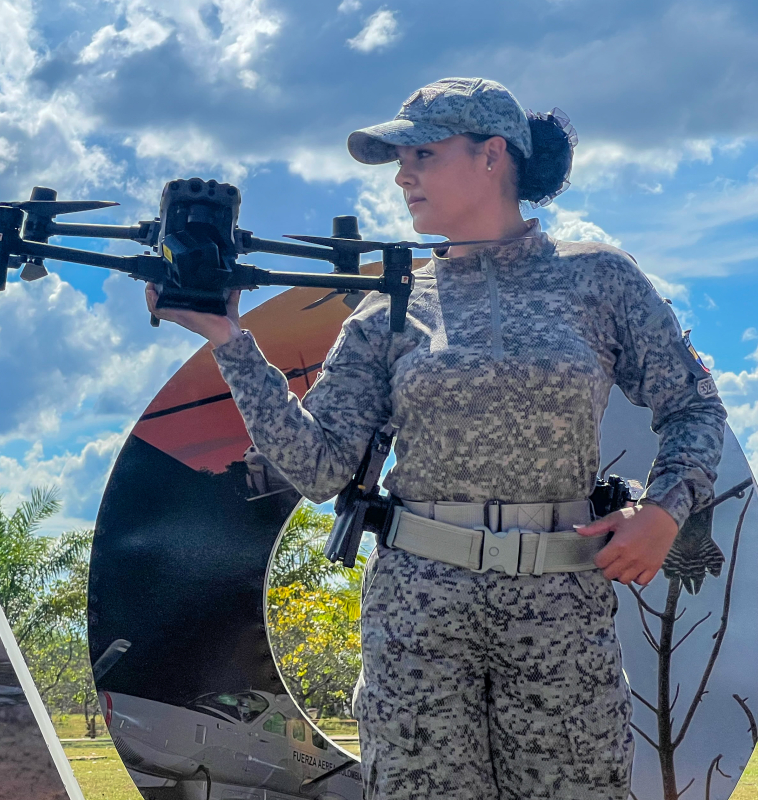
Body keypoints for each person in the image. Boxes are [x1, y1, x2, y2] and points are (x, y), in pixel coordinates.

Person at [147, 78, 726, 799]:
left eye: (421, 151)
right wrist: (230, 341)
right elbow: (321, 466)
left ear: (492, 156)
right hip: (419, 616)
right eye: (398, 158)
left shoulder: (599, 279)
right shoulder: (388, 306)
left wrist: (664, 512)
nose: (402, 174)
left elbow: (695, 409)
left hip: (563, 610)